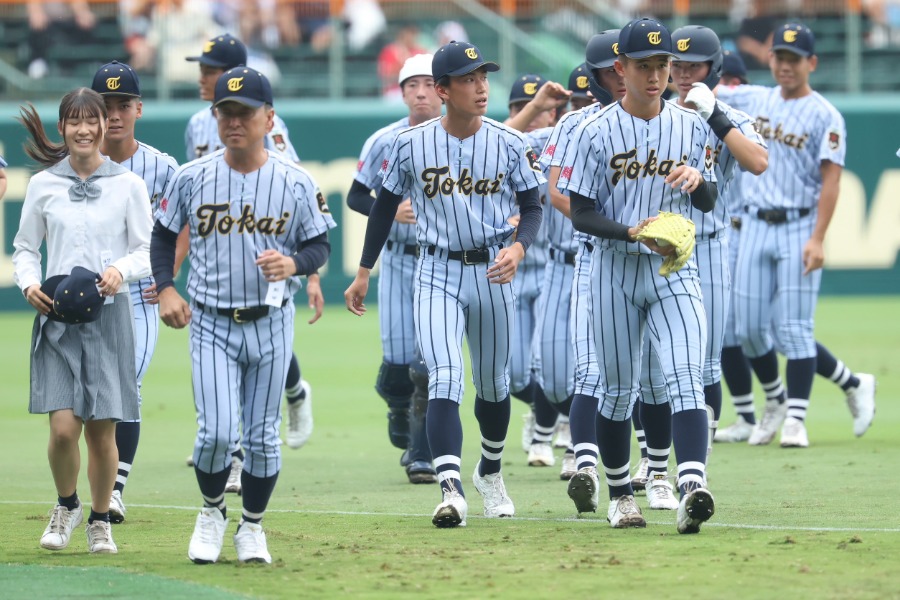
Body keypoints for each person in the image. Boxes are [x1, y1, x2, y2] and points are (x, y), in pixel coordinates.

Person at [344, 41, 544, 528]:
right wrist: (365, 270)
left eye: (483, 77)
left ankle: (490, 473)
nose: (480, 87)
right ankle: (451, 487)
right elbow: (384, 207)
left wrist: (519, 247)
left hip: (493, 271)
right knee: (445, 376)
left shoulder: (508, 141)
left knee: (494, 384)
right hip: (436, 271)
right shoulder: (409, 144)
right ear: (443, 89)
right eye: (469, 79)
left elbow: (533, 206)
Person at [151, 66, 336, 564]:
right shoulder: (191, 176)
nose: (235, 121)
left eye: (245, 112)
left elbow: (320, 245)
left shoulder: (295, 181)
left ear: (268, 117)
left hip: (272, 321)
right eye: (226, 112)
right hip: (210, 319)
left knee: (261, 439)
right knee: (215, 433)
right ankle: (212, 512)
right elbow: (164, 235)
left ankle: (252, 526)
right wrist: (167, 288)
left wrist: (295, 263)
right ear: (215, 117)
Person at [560, 18, 718, 534]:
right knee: (617, 390)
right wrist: (631, 232)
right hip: (615, 270)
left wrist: (697, 181)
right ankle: (622, 494)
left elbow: (711, 197)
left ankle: (692, 485)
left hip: (674, 268)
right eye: (644, 66)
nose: (655, 75)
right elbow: (580, 212)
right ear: (620, 69)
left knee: (685, 376)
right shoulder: (592, 130)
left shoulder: (693, 125)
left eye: (662, 65)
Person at [716, 24, 876, 447]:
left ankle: (795, 421)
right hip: (752, 223)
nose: (785, 66)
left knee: (794, 327)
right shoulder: (755, 99)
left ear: (811, 63)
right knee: (748, 328)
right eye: (779, 57)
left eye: (794, 58)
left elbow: (832, 181)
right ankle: (776, 402)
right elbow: (703, 95)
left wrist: (818, 238)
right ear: (769, 60)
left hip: (799, 223)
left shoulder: (826, 114)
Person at [13, 87, 153, 553]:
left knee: (102, 431)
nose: (84, 129)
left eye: (91, 120)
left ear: (102, 126)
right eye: (74, 121)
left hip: (109, 318)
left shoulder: (129, 185)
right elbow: (25, 248)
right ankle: (66, 504)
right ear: (62, 128)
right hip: (55, 318)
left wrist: (119, 271)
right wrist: (29, 282)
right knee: (61, 429)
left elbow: (145, 252)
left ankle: (98, 519)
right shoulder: (42, 185)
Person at [183, 34, 318, 487]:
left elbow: (300, 203)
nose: (203, 76)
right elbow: (193, 207)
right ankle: (225, 442)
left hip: (267, 245)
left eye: (210, 69)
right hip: (222, 246)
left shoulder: (269, 130)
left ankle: (293, 395)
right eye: (201, 69)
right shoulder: (197, 125)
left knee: (262, 332)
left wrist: (308, 271)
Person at [346, 53, 442, 484]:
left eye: (427, 83)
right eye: (411, 85)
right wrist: (391, 210)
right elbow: (355, 196)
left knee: (427, 364)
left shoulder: (460, 136)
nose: (420, 92)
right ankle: (396, 405)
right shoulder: (385, 139)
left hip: (442, 264)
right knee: (399, 364)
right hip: (401, 263)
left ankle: (424, 453)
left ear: (441, 88)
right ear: (401, 92)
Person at [89, 60, 178, 524]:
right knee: (87, 397)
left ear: (139, 108)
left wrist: (167, 278)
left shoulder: (162, 167)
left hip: (140, 291)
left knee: (128, 384)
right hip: (86, 295)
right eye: (106, 105)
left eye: (123, 104)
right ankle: (86, 489)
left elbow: (180, 226)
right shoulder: (76, 163)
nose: (115, 113)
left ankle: (115, 490)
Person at [540, 29, 620, 485]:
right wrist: (619, 226)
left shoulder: (663, 117)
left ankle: (651, 463)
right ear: (595, 77)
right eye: (611, 70)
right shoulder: (574, 124)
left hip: (648, 257)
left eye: (623, 65)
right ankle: (584, 461)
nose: (622, 76)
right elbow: (557, 192)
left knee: (647, 369)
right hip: (591, 253)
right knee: (586, 368)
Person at [377, 22, 427, 100]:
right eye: (408, 33)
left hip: (417, 91)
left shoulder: (421, 51)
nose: (411, 37)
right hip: (395, 91)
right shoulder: (389, 51)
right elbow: (385, 77)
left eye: (413, 34)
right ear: (401, 34)